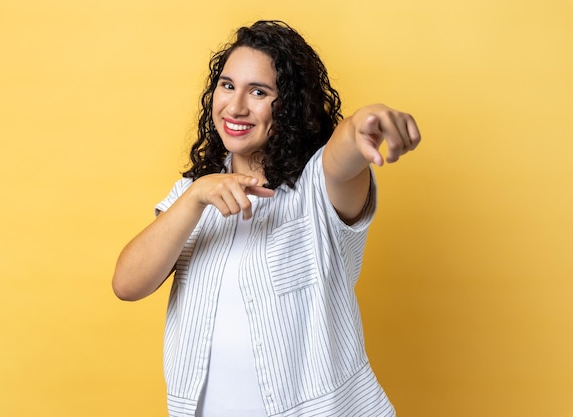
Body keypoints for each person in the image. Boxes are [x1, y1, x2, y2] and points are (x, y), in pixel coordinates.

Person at [112, 20, 420, 417]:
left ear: (290, 105)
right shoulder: (194, 194)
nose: (236, 106)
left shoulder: (316, 189)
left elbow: (342, 156)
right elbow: (127, 284)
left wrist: (365, 124)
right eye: (227, 85)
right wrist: (194, 198)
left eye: (258, 92)